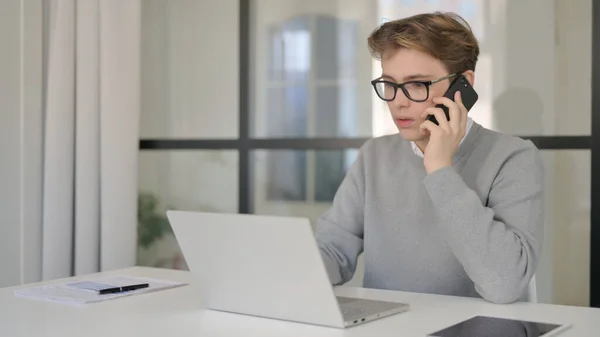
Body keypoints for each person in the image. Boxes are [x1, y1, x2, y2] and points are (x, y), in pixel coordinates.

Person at [314, 11, 544, 304]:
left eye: (416, 85)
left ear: (463, 86)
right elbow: (333, 251)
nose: (398, 101)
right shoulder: (375, 156)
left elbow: (505, 285)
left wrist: (440, 169)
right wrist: (287, 275)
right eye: (389, 84)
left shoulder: (514, 159)